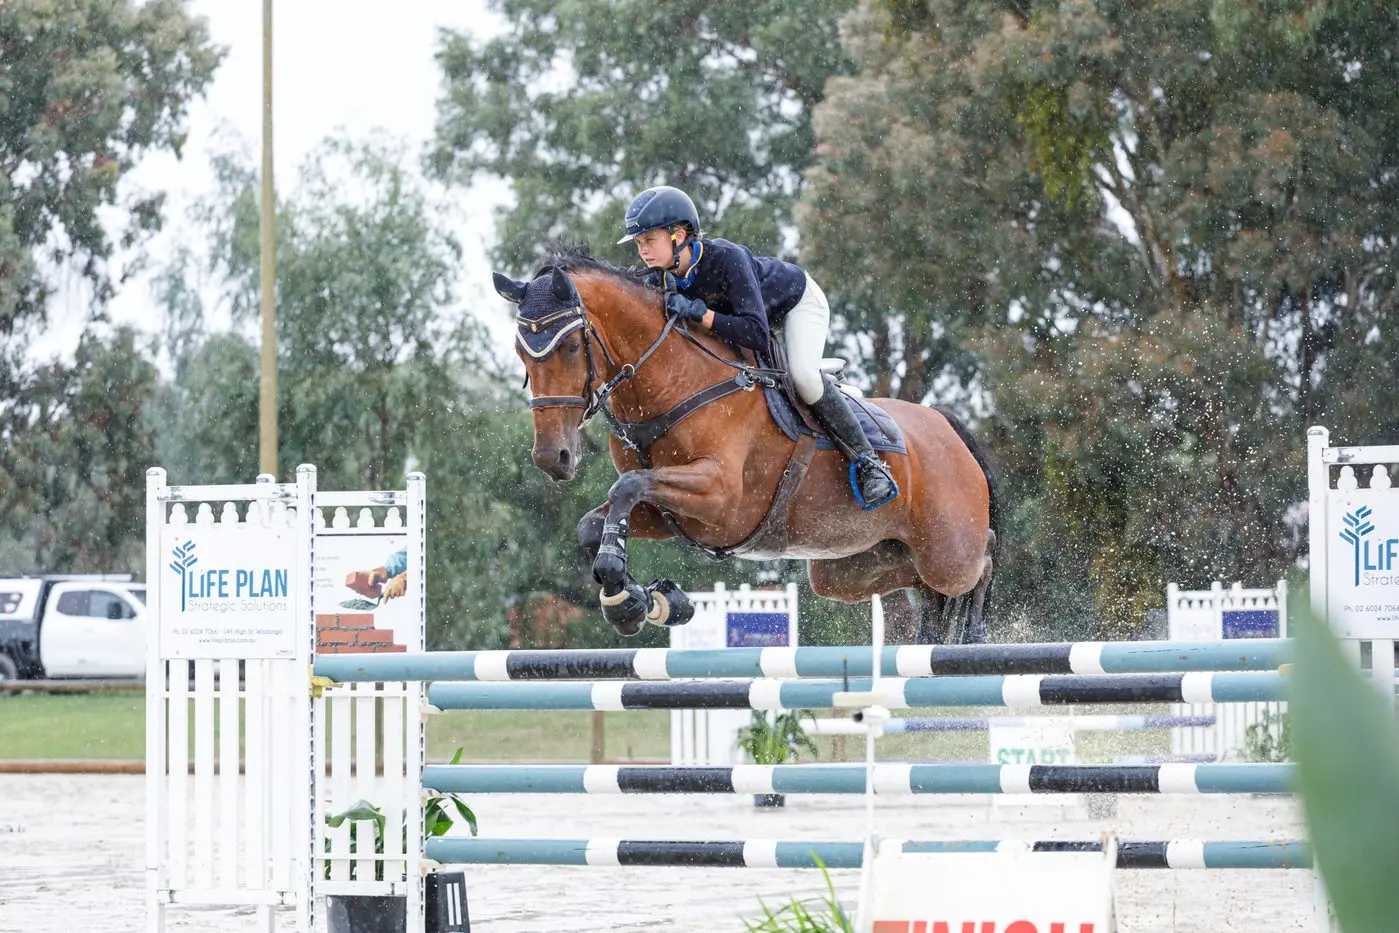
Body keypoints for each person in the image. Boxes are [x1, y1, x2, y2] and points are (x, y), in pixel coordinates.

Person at [617, 185, 897, 510]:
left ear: (678, 235)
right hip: (752, 319)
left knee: (804, 377)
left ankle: (868, 462)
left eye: (649, 240)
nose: (643, 251)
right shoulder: (659, 279)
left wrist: (704, 315)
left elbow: (756, 334)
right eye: (639, 243)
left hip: (796, 303)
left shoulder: (726, 259)